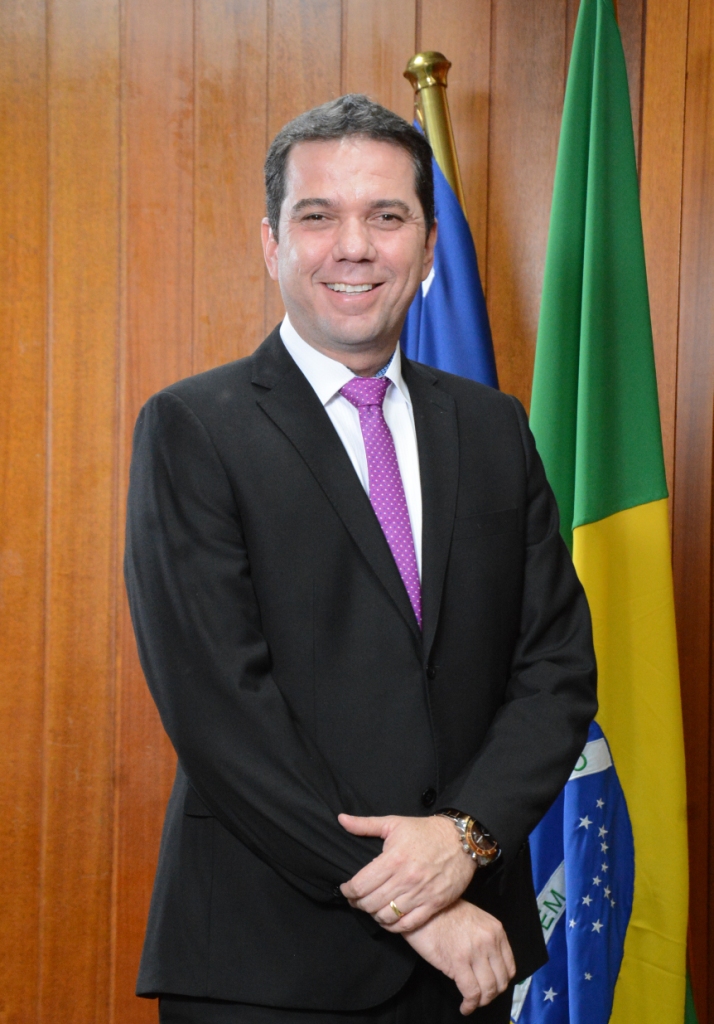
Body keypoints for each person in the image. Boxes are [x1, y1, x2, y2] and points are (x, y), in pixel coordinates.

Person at [124, 94, 597, 1024]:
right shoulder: (193, 429)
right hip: (266, 967)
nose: (354, 247)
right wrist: (414, 902)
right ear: (271, 244)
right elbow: (221, 713)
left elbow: (557, 670)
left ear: (428, 249)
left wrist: (465, 840)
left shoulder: (493, 428)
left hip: (469, 965)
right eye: (318, 217)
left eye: (386, 217)